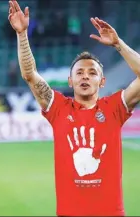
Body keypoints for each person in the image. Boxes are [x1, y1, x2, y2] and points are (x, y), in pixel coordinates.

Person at [8, 0, 140, 216]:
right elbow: (30, 75)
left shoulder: (115, 107)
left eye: (92, 73)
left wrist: (118, 45)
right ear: (70, 81)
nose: (85, 76)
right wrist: (22, 35)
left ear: (102, 81)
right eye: (79, 73)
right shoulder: (58, 108)